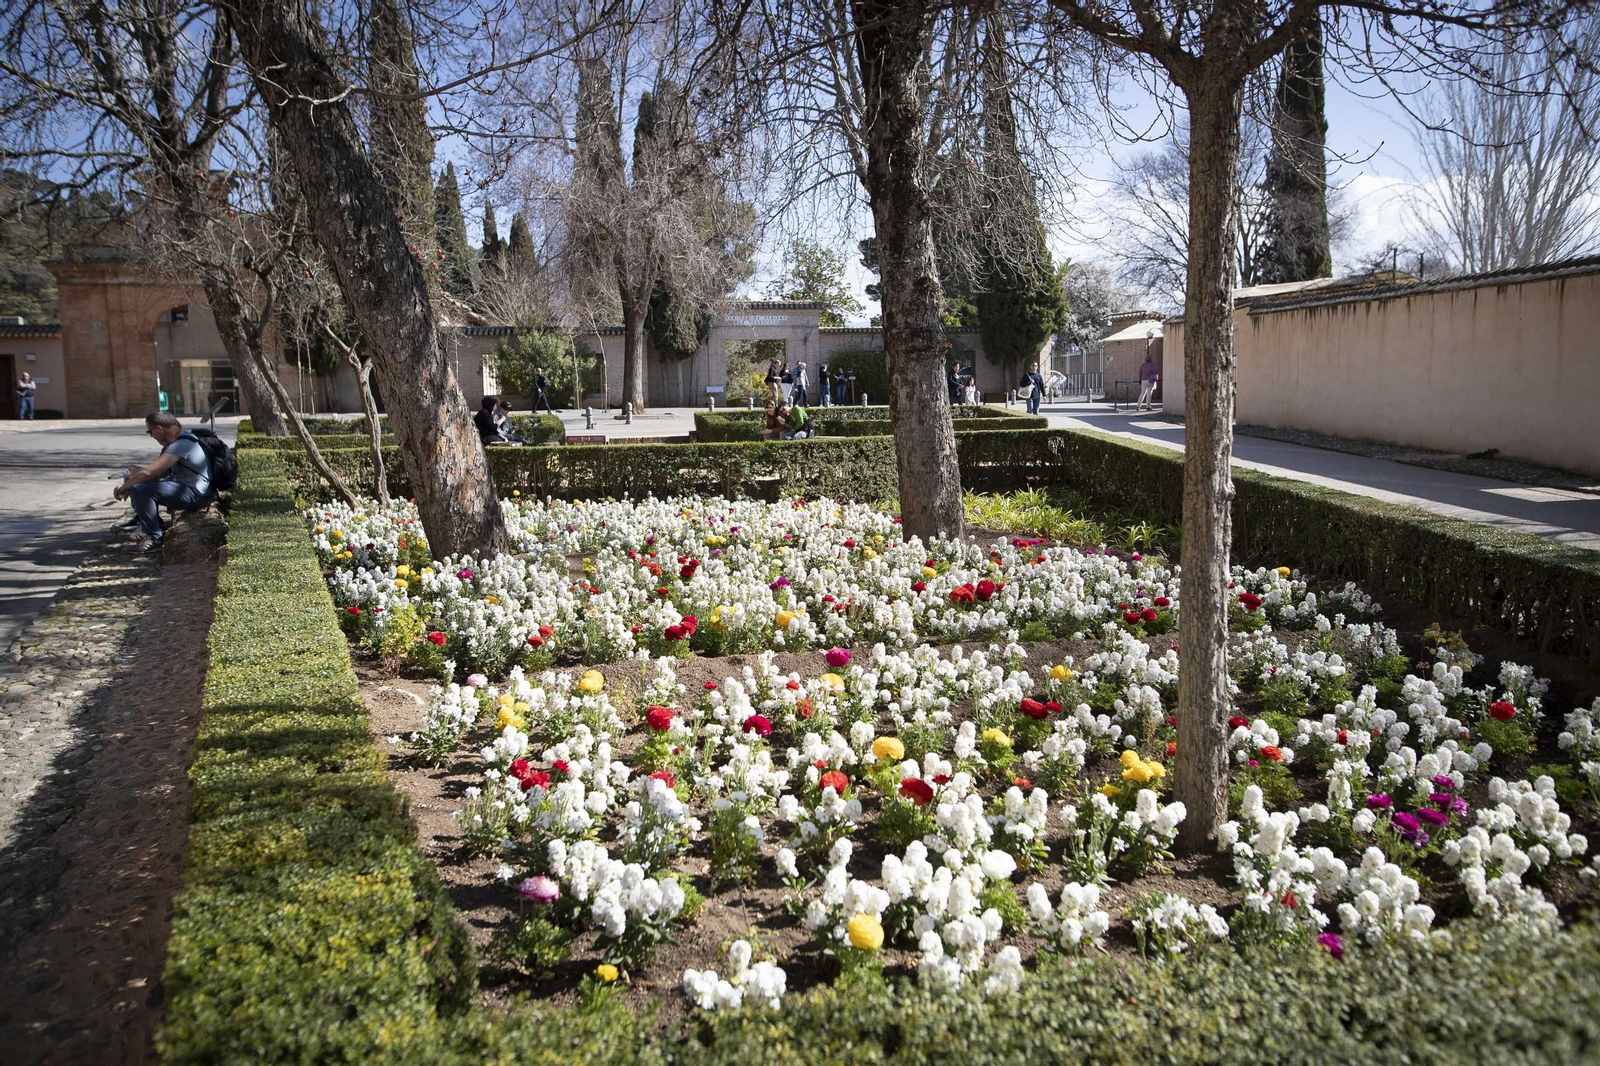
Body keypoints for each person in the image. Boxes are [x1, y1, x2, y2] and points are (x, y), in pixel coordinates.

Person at [113, 412, 213, 552]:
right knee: (136, 484)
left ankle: (155, 537)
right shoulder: (176, 442)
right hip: (188, 489)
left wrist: (123, 488)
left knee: (140, 490)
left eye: (150, 431)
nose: (151, 436)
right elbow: (157, 473)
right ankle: (150, 526)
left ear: (159, 429)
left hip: (197, 495)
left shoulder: (181, 444)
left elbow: (151, 473)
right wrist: (130, 482)